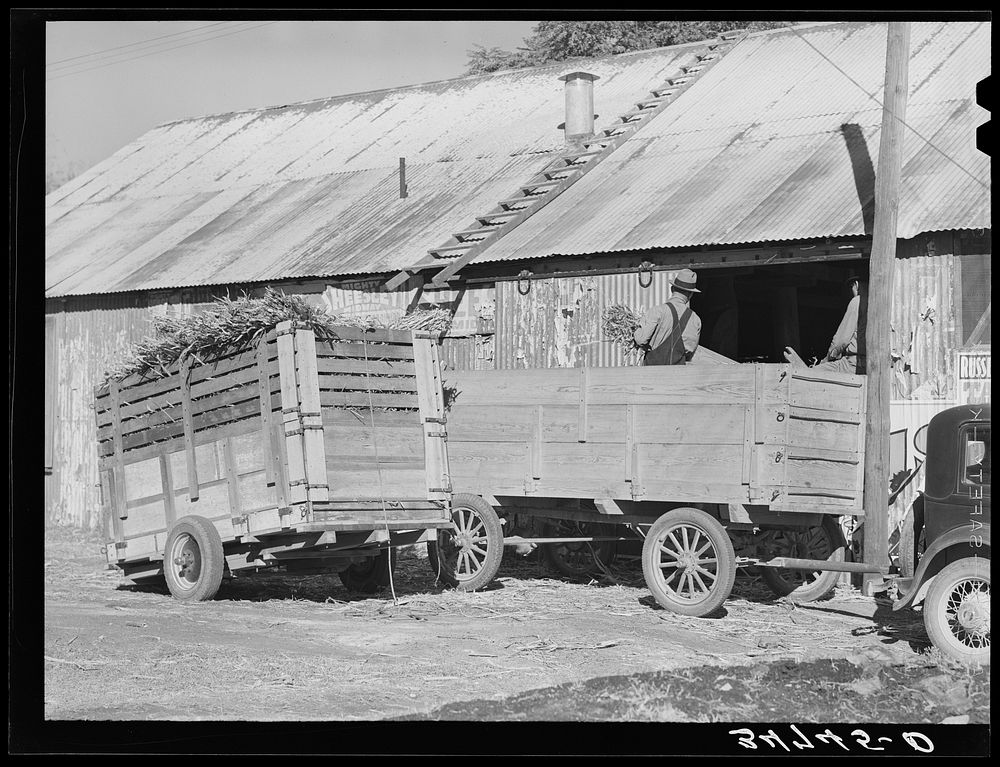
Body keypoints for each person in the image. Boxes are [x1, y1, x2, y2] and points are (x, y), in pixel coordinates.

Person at [634, 268, 702, 366]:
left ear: (672, 289)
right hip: (678, 376)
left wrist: (635, 329)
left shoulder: (658, 311)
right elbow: (689, 353)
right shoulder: (696, 320)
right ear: (691, 294)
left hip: (652, 374)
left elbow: (640, 340)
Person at [811, 275, 866, 373]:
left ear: (856, 285)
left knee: (813, 373)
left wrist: (827, 358)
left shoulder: (858, 301)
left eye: (851, 288)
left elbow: (841, 340)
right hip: (876, 364)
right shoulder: (888, 303)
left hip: (855, 364)